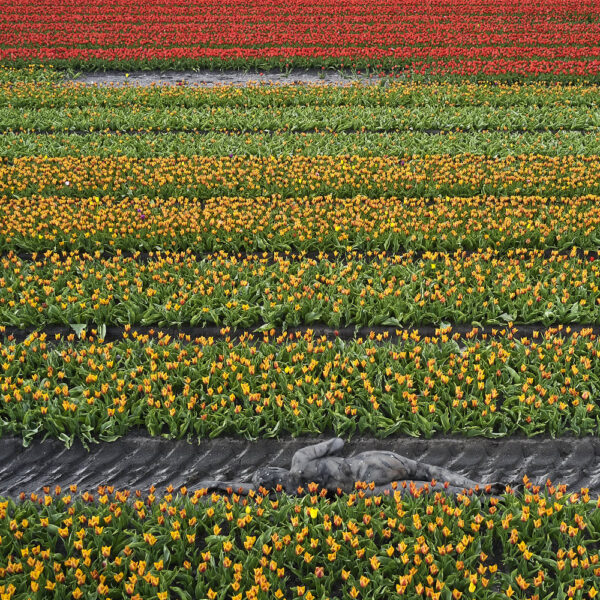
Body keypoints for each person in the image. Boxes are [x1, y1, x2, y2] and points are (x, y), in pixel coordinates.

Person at [197, 438, 504, 496]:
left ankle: (480, 494)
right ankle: (479, 487)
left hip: (362, 490)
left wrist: (221, 486)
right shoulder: (300, 460)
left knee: (424, 487)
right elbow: (337, 442)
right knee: (425, 470)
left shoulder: (294, 497)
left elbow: (252, 490)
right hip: (367, 464)